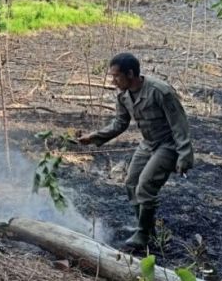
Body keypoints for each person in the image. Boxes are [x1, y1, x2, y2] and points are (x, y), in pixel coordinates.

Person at [77, 52, 194, 249]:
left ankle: (143, 235)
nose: (113, 81)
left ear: (130, 74)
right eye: (112, 76)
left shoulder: (160, 91)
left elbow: (179, 124)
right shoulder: (123, 96)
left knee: (146, 186)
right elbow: (120, 123)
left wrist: (184, 155)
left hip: (168, 144)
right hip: (148, 144)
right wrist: (94, 137)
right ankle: (146, 229)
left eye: (116, 76)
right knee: (131, 183)